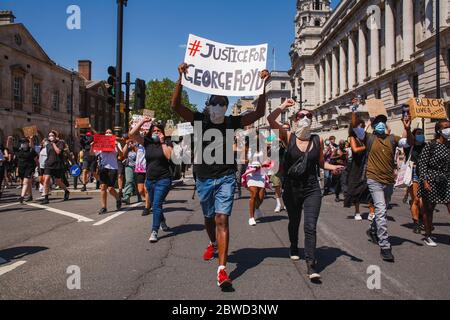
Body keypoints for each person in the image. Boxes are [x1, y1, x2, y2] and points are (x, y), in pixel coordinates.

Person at [172, 62, 269, 289]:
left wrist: (263, 85)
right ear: (209, 105)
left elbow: (259, 113)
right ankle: (213, 243)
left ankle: (222, 270)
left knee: (222, 219)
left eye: (222, 103)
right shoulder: (199, 119)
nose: (218, 105)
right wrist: (180, 78)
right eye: (214, 102)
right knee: (209, 218)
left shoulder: (231, 121)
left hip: (226, 176)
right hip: (204, 178)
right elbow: (175, 105)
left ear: (226, 107)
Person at [268, 99, 344, 281]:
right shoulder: (288, 137)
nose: (305, 118)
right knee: (294, 222)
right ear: (295, 120)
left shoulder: (318, 139)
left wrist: (332, 167)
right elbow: (271, 120)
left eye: (309, 116)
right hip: (292, 188)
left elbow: (320, 163)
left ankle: (311, 264)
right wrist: (283, 107)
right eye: (301, 115)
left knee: (310, 226)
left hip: (312, 188)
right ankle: (294, 245)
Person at [352, 108, 413, 262]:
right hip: (374, 179)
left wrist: (407, 128)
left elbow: (409, 143)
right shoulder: (369, 138)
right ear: (373, 126)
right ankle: (385, 246)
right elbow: (354, 127)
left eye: (382, 122)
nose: (380, 124)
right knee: (380, 209)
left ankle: (373, 229)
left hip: (388, 181)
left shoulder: (393, 138)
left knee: (382, 210)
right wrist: (354, 111)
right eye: (377, 122)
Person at [129, 120, 173, 243]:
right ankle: (162, 222)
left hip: (164, 179)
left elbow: (169, 156)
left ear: (162, 132)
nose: (156, 132)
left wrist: (163, 141)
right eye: (154, 131)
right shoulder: (147, 142)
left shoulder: (167, 142)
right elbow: (132, 134)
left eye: (158, 131)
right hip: (150, 180)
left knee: (157, 205)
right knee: (155, 204)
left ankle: (154, 231)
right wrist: (142, 121)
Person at [418, 120, 450, 247]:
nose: (449, 129)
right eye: (446, 127)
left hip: (446, 180)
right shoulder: (431, 146)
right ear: (439, 131)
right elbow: (422, 164)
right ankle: (428, 235)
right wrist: (425, 181)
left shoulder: (449, 146)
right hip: (430, 180)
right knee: (429, 209)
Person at [346, 117, 374, 221]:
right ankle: (357, 211)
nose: (362, 128)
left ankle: (372, 212)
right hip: (357, 166)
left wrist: (368, 124)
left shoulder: (364, 137)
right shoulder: (353, 138)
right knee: (357, 189)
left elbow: (365, 132)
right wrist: (367, 146)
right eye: (360, 126)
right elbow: (355, 149)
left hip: (367, 164)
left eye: (362, 126)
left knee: (369, 188)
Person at [242, 134, 269, 226]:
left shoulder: (263, 149)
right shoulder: (246, 148)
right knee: (254, 193)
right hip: (251, 172)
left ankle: (257, 208)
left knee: (261, 197)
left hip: (261, 172)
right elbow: (243, 160)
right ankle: (251, 217)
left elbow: (266, 160)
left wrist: (263, 165)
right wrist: (250, 164)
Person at [94, 129, 122, 215]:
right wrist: (93, 146)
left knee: (110, 188)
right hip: (103, 167)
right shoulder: (101, 142)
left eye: (110, 132)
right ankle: (104, 207)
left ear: (112, 134)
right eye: (107, 132)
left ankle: (118, 198)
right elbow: (94, 153)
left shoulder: (117, 143)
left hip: (113, 167)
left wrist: (116, 146)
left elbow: (121, 155)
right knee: (103, 187)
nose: (108, 134)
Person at [404, 128, 426, 234]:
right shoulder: (409, 146)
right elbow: (406, 137)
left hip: (426, 174)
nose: (421, 135)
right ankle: (416, 222)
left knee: (424, 201)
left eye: (422, 133)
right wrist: (408, 129)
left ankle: (422, 218)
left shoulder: (427, 145)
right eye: (418, 134)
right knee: (416, 199)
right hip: (414, 173)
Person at [41, 131, 70, 205]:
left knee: (58, 182)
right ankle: (46, 198)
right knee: (46, 180)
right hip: (48, 164)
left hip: (57, 165)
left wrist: (53, 143)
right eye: (49, 135)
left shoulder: (61, 143)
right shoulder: (47, 145)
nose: (51, 137)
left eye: (52, 135)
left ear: (56, 136)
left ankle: (66, 191)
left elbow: (58, 152)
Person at [271, 123, 290, 213]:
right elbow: (264, 141)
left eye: (287, 128)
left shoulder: (292, 138)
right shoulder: (275, 137)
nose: (286, 130)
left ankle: (286, 203)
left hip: (289, 166)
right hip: (276, 165)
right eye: (284, 128)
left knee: (286, 187)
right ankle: (278, 204)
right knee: (277, 185)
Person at [16, 137, 38, 203]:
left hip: (29, 168)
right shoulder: (19, 150)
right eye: (22, 143)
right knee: (28, 183)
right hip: (21, 169)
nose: (23, 144)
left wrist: (37, 167)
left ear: (28, 143)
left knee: (25, 182)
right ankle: (30, 196)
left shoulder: (31, 150)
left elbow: (36, 158)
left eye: (24, 142)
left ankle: (22, 197)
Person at [122, 138, 138, 205]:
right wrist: (126, 144)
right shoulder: (128, 146)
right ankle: (126, 197)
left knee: (137, 183)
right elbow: (123, 154)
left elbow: (139, 154)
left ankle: (139, 195)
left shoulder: (137, 144)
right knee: (129, 181)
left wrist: (134, 146)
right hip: (129, 166)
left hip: (138, 167)